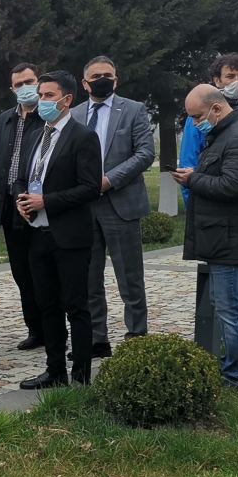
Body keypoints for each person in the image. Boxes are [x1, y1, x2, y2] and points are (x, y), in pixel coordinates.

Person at [14, 72, 104, 388]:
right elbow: (22, 177)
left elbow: (90, 188)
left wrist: (47, 201)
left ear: (67, 100)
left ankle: (80, 375)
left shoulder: (82, 137)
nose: (42, 101)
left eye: (49, 96)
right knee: (47, 305)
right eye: (41, 95)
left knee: (76, 307)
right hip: (37, 234)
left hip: (69, 236)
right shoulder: (35, 135)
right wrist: (21, 199)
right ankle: (54, 371)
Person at [174, 84, 238, 392]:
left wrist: (192, 179)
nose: (195, 123)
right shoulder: (223, 134)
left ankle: (236, 377)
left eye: (197, 117)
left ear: (216, 108)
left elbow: (232, 186)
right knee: (225, 306)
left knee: (231, 310)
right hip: (221, 237)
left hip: (231, 240)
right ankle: (231, 369)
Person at [70, 55, 155, 357]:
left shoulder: (133, 109)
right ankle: (97, 339)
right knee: (89, 278)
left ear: (116, 80)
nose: (102, 79)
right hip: (84, 208)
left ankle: (136, 336)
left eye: (108, 75)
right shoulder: (74, 114)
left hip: (121, 203)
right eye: (96, 76)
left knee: (130, 277)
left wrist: (108, 180)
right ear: (84, 83)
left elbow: (145, 153)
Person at [0, 62, 44, 351]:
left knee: (42, 271)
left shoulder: (46, 117)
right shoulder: (6, 119)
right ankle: (34, 329)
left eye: (29, 81)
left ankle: (52, 328)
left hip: (37, 205)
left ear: (39, 81)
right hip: (9, 206)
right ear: (12, 88)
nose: (25, 87)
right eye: (19, 84)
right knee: (21, 273)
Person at [178, 52, 238, 209]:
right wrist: (194, 206)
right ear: (217, 80)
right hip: (214, 202)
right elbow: (188, 163)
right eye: (230, 76)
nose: (237, 82)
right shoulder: (200, 116)